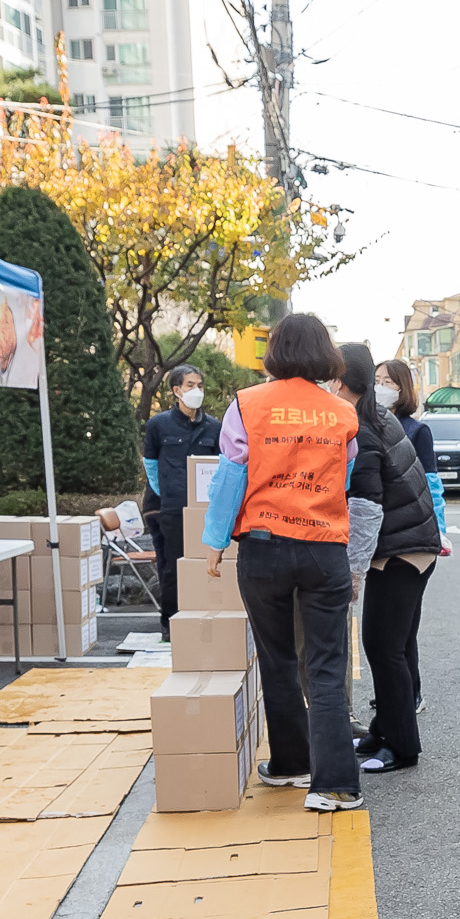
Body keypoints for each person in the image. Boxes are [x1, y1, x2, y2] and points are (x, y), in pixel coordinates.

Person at [197, 314, 365, 813]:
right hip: (323, 547)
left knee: (276, 658)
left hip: (263, 545)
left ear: (273, 350)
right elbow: (346, 478)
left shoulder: (247, 405)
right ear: (326, 354)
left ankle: (291, 762)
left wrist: (214, 542)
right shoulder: (341, 413)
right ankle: (335, 783)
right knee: (327, 664)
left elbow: (231, 476)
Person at [341, 344, 440, 773]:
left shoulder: (363, 430)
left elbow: (366, 507)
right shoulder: (374, 418)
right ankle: (383, 730)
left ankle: (401, 748)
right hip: (409, 544)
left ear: (342, 382)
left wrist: (354, 570)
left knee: (384, 648)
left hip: (401, 550)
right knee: (389, 645)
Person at [376, 360, 449, 719]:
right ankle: (395, 693)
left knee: (404, 628)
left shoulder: (416, 430)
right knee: (391, 630)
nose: (380, 387)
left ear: (403, 387)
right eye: (375, 380)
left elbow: (431, 485)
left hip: (413, 539)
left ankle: (411, 691)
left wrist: (441, 529)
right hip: (385, 540)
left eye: (387, 381)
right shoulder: (371, 425)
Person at [142, 365, 223, 638]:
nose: (196, 391)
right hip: (171, 508)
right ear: (176, 390)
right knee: (172, 565)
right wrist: (165, 493)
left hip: (204, 508)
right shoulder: (158, 425)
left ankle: (203, 615)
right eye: (190, 385)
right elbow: (150, 465)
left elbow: (219, 466)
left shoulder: (213, 426)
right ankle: (170, 621)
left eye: (199, 384)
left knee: (205, 563)